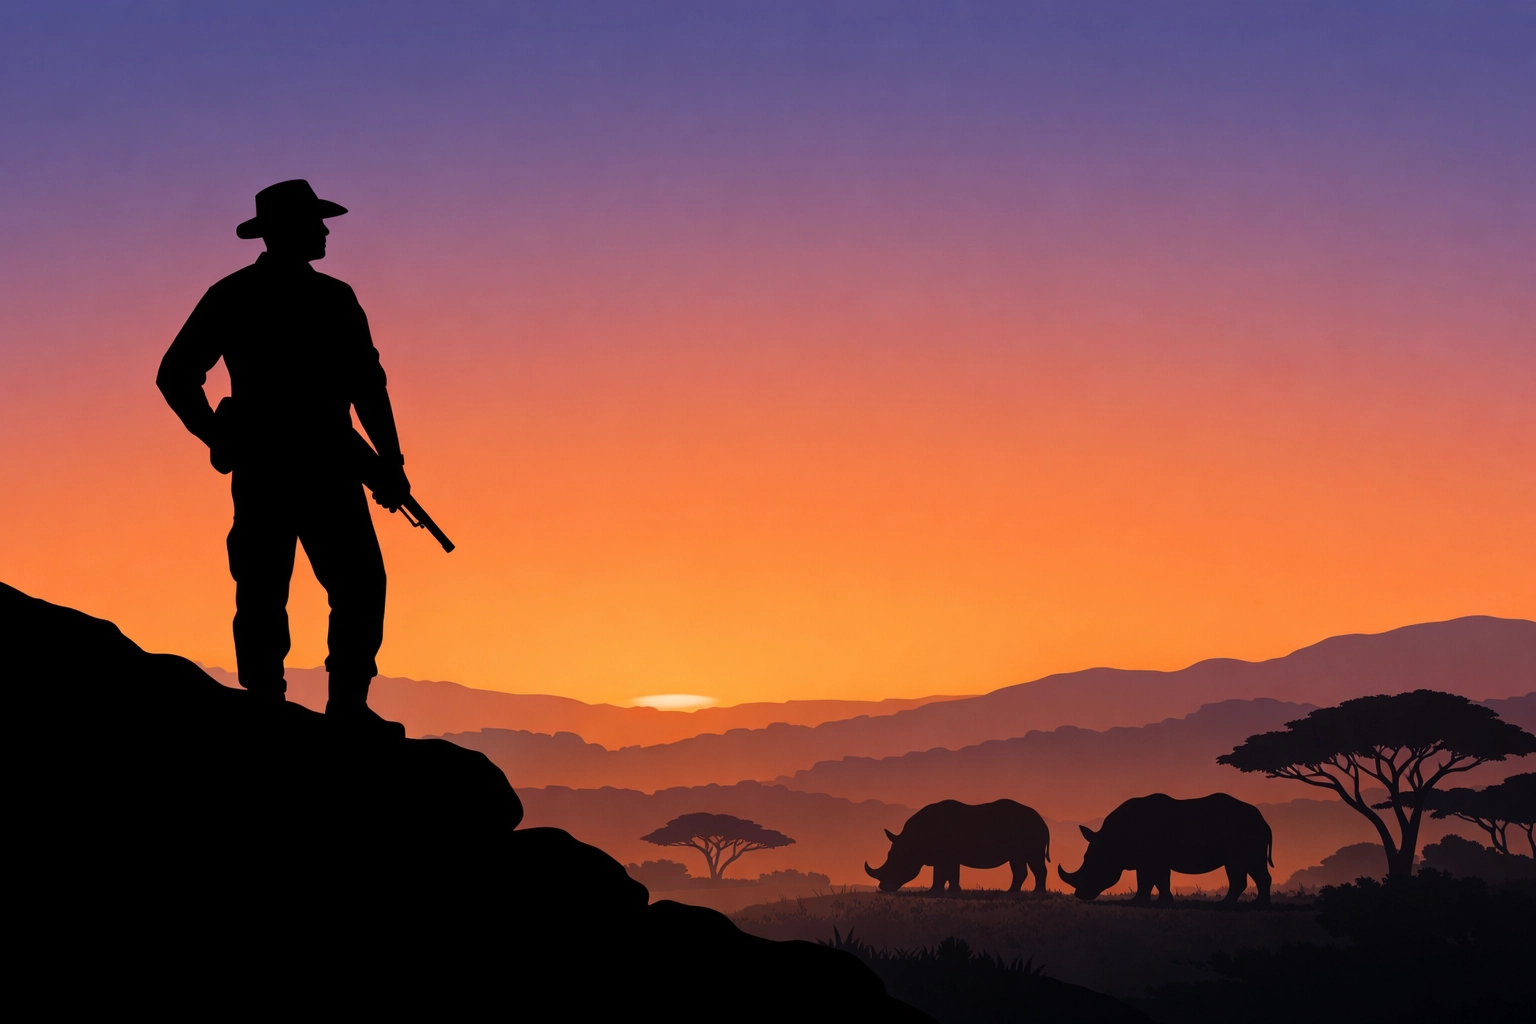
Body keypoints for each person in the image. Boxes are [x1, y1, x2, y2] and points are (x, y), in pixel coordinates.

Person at [157, 179, 410, 736]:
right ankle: (328, 706)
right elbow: (368, 386)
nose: (323, 231)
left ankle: (282, 702)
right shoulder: (323, 298)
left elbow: (368, 385)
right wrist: (217, 437)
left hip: (293, 464)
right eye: (314, 222)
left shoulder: (250, 294)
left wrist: (388, 464)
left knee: (286, 583)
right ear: (283, 231)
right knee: (317, 583)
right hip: (312, 465)